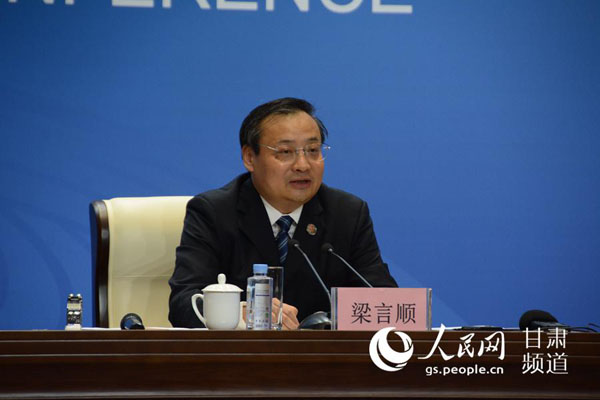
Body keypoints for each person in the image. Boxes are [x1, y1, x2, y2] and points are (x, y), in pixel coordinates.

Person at [168, 97, 397, 329]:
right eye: (285, 152)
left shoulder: (347, 213)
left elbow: (384, 301)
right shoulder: (214, 212)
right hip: (243, 351)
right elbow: (183, 304)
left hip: (323, 350)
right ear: (250, 158)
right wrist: (241, 313)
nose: (303, 165)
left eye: (313, 150)